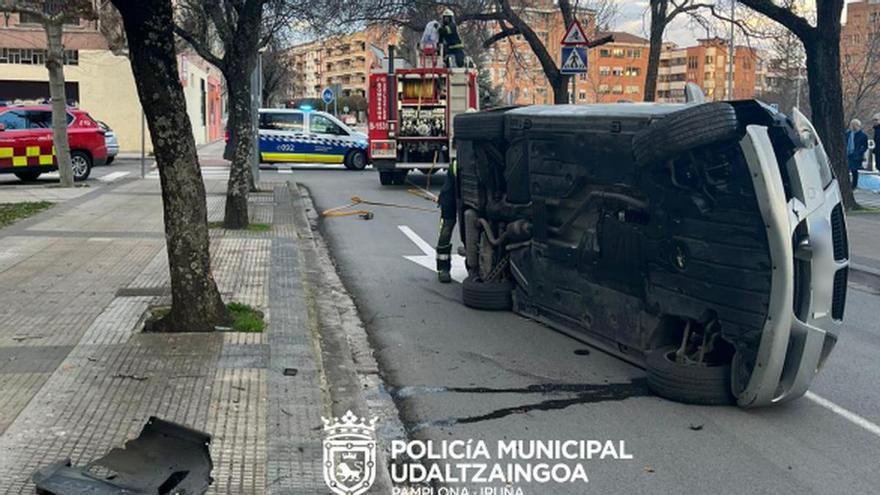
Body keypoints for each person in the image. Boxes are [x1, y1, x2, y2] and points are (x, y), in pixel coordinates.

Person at [436, 156, 457, 283]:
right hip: (451, 197)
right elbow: (448, 191)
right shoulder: (457, 165)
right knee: (446, 230)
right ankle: (443, 268)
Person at [846, 119, 869, 189]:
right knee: (847, 169)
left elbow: (865, 146)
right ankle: (848, 183)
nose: (853, 127)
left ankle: (854, 185)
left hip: (856, 155)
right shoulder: (848, 134)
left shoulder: (863, 135)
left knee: (854, 170)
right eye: (852, 125)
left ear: (859, 126)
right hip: (848, 154)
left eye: (855, 125)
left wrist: (858, 152)